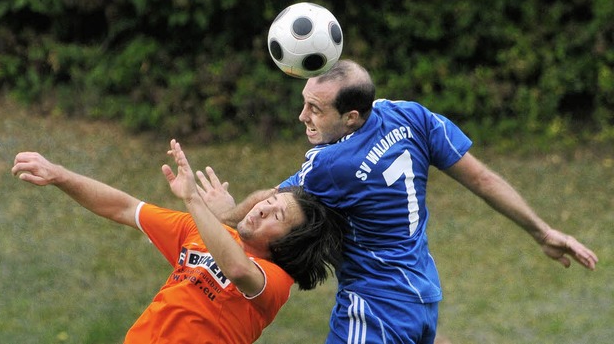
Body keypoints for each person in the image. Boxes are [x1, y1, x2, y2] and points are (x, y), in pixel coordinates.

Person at [209, 60, 599, 344]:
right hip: (423, 296)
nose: (302, 116)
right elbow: (481, 177)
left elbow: (272, 202)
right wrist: (541, 231)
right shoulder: (411, 117)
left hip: (375, 308)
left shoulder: (331, 165)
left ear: (351, 117)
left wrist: (224, 212)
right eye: (305, 102)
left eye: (315, 109)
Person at [11, 139, 344, 344]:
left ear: (291, 243)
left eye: (276, 217)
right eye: (266, 204)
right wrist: (60, 175)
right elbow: (125, 208)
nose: (260, 211)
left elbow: (236, 267)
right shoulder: (201, 232)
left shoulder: (274, 283)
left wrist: (195, 202)